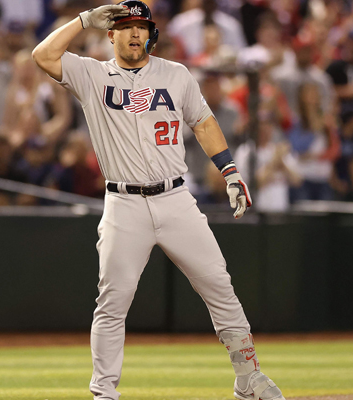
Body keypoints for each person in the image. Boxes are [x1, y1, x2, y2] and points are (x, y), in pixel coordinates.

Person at [30, 2, 285, 400]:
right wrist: (83, 20)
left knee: (219, 286)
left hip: (175, 197)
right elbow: (42, 55)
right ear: (110, 33)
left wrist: (230, 171)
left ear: (152, 34)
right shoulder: (92, 73)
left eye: (141, 27)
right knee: (113, 301)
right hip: (124, 203)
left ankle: (248, 378)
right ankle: (104, 393)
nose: (135, 34)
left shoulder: (175, 73)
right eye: (125, 26)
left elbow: (203, 121)